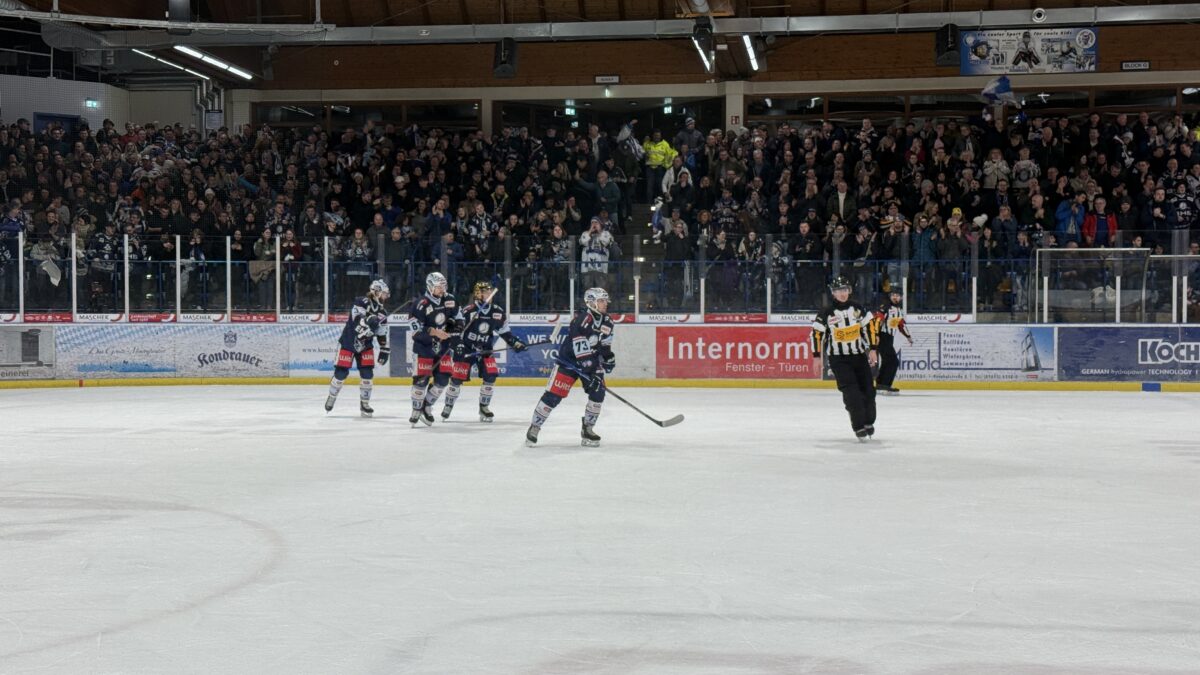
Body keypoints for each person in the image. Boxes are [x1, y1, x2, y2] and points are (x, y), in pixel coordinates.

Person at [526, 287, 614, 448]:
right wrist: (593, 372)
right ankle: (535, 426)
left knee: (598, 393)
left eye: (605, 301)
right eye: (601, 301)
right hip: (569, 362)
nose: (604, 304)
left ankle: (588, 428)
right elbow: (581, 353)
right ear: (591, 302)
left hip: (591, 362)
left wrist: (609, 358)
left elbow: (604, 346)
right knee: (553, 396)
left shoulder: (608, 321)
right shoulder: (581, 320)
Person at [438, 281, 528, 422]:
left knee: (491, 376)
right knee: (456, 379)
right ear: (478, 294)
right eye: (485, 291)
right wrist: (458, 346)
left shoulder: (498, 312)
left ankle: (483, 407)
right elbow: (455, 331)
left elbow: (505, 332)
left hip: (485, 350)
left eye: (490, 291)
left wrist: (515, 342)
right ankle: (448, 405)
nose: (489, 294)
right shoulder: (468, 311)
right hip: (467, 349)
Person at [811, 276, 880, 441]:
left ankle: (869, 421)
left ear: (849, 291)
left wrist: (873, 349)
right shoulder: (826, 312)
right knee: (852, 393)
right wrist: (816, 357)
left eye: (844, 290)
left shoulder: (857, 308)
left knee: (868, 391)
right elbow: (816, 334)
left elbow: (870, 326)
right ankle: (858, 425)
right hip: (839, 360)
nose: (842, 294)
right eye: (838, 291)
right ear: (833, 293)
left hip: (858, 356)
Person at [324, 279, 390, 417]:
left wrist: (384, 348)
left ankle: (364, 404)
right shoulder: (361, 301)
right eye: (384, 293)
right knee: (341, 373)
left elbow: (382, 333)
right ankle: (332, 396)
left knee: (367, 374)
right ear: (377, 292)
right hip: (348, 342)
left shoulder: (383, 312)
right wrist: (369, 320)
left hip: (365, 345)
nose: (386, 297)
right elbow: (356, 318)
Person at [407, 271, 462, 427]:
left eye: (444, 286)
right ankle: (416, 409)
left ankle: (427, 405)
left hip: (443, 347)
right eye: (439, 287)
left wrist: (456, 327)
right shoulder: (420, 304)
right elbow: (416, 330)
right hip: (424, 347)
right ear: (430, 286)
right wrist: (434, 332)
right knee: (421, 381)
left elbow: (459, 317)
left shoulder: (450, 299)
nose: (442, 290)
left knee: (443, 380)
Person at [873, 288, 913, 394]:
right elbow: (877, 321)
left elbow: (901, 325)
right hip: (882, 337)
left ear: (901, 297)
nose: (895, 297)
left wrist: (908, 336)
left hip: (889, 338)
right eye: (893, 295)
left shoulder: (899, 310)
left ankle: (881, 384)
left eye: (898, 295)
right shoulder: (885, 307)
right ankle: (885, 385)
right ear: (890, 296)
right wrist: (876, 335)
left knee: (887, 361)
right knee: (893, 362)